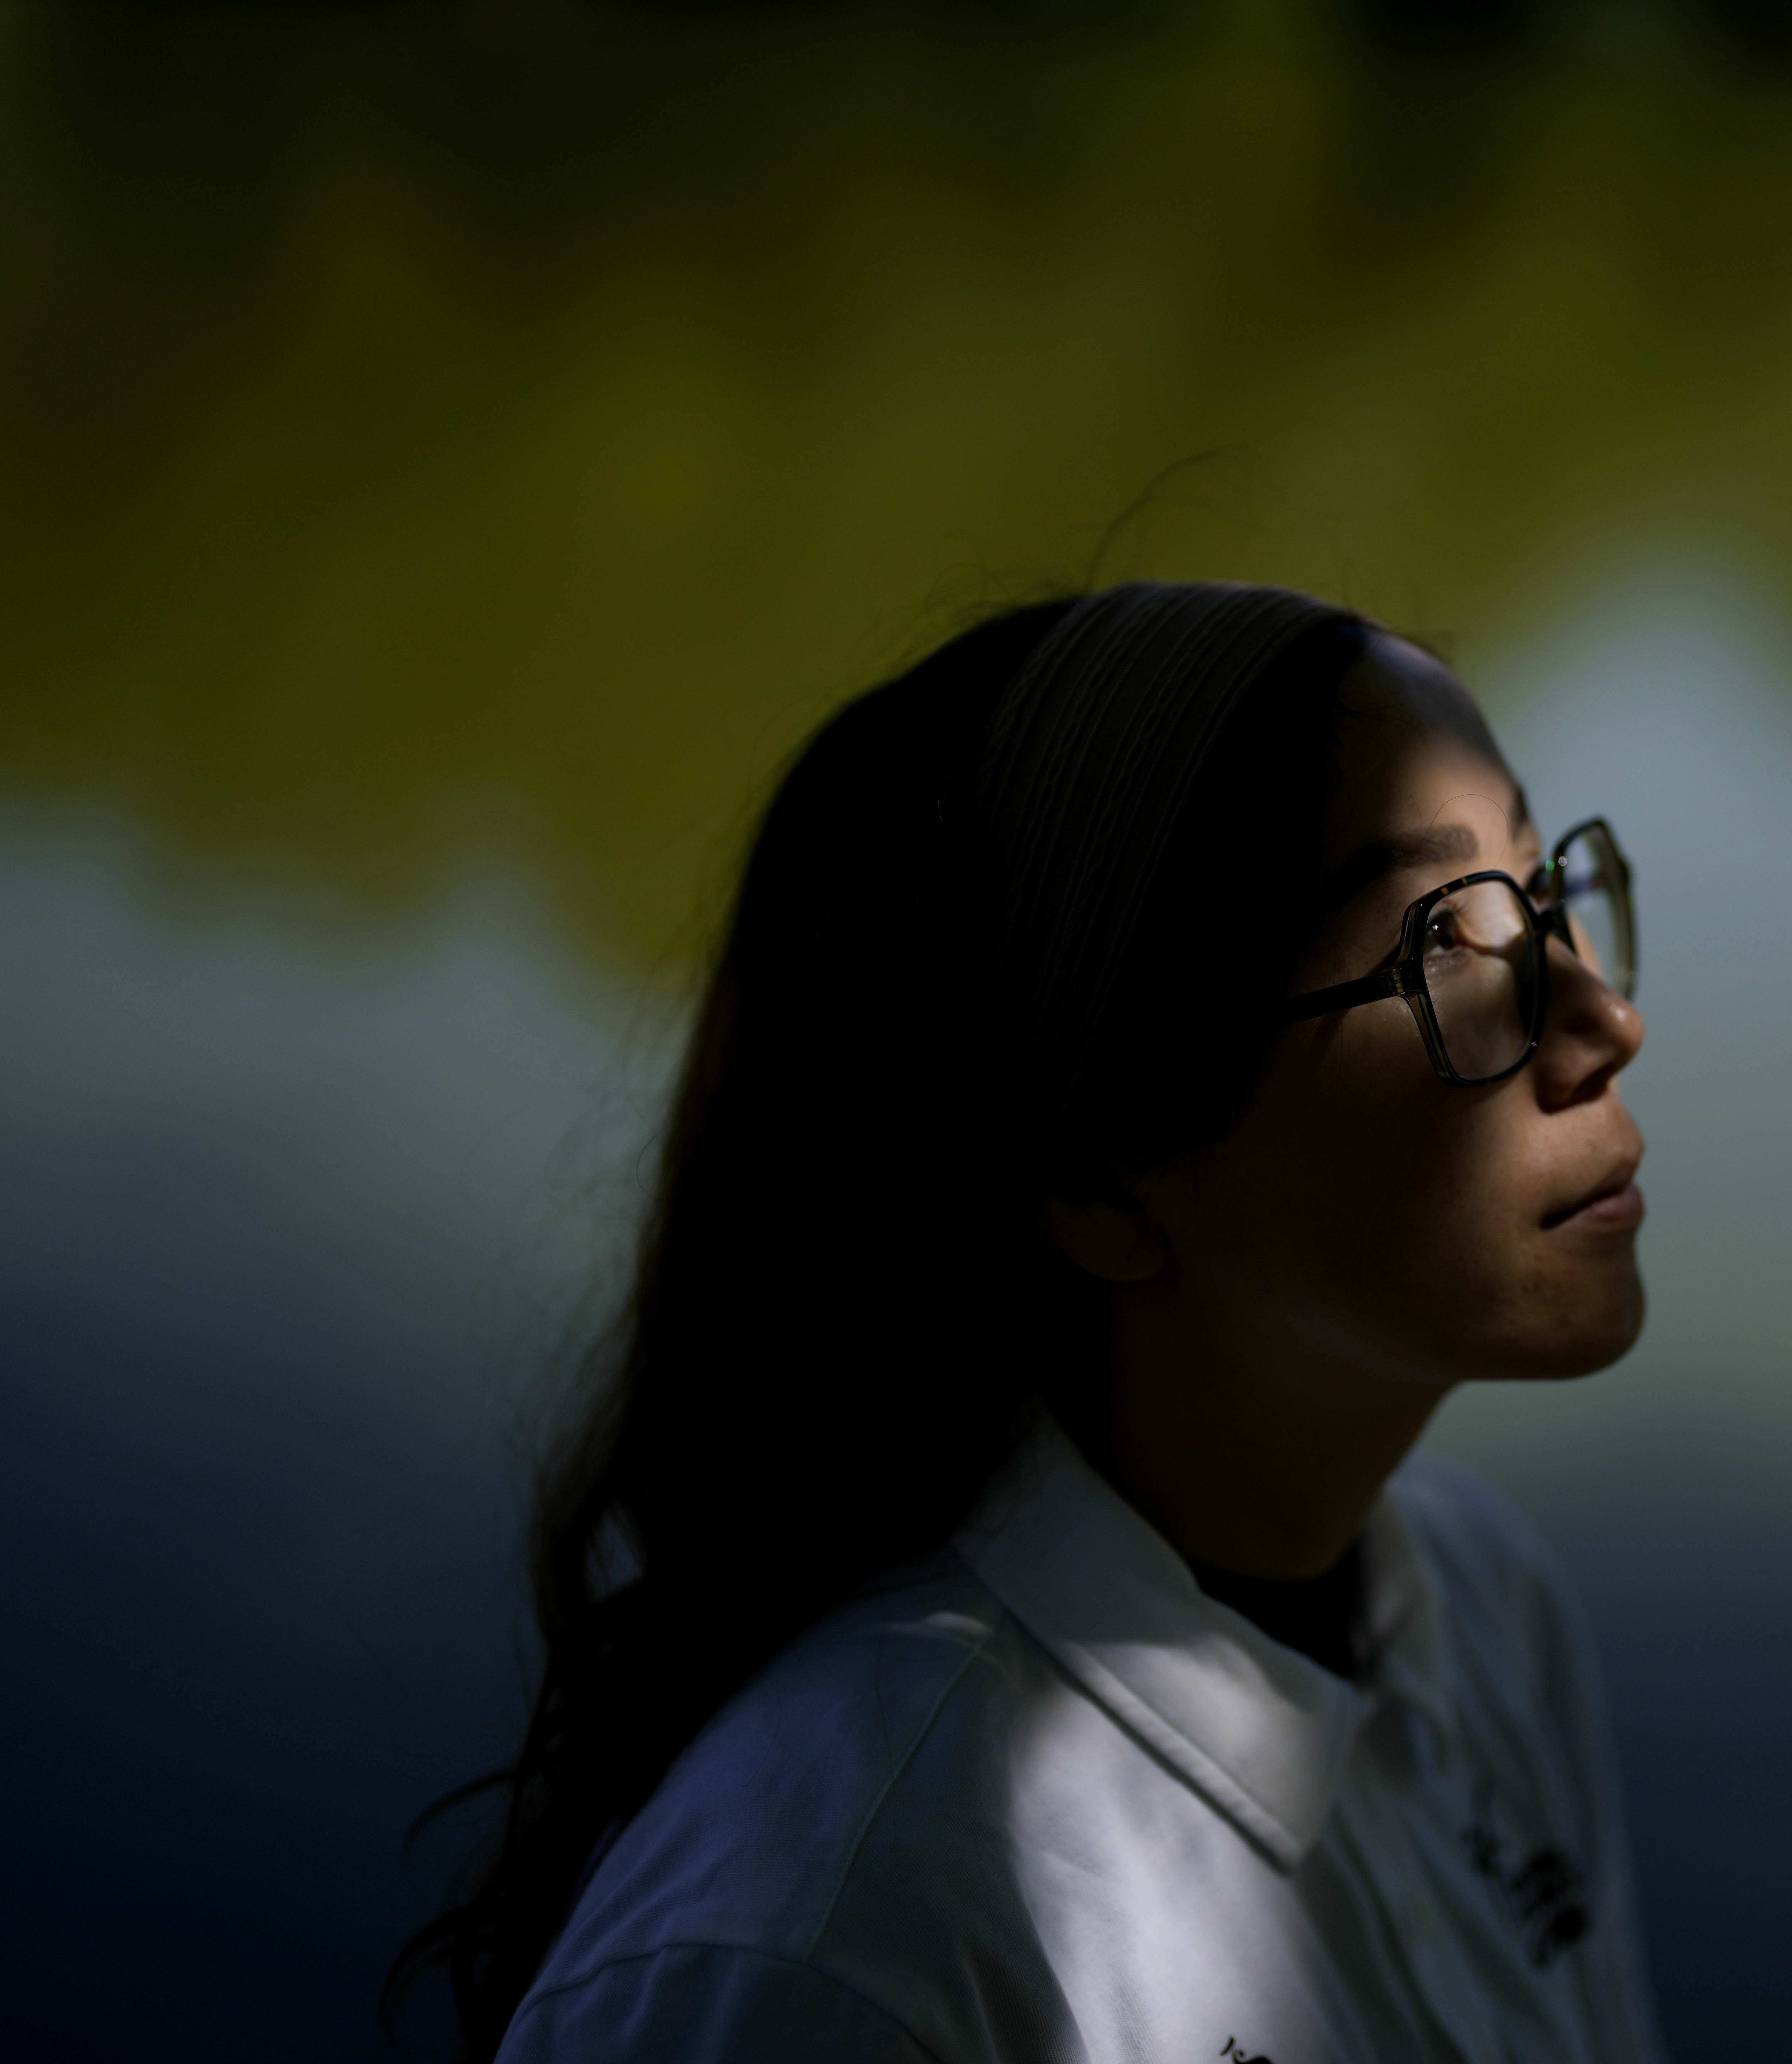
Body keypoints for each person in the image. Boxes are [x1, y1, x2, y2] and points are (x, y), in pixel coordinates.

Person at [395, 581, 1661, 2063]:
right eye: (1450, 940)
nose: (1602, 1021)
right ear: (1100, 1169)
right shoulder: (835, 1953)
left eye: (1544, 890)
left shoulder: (1480, 1609)